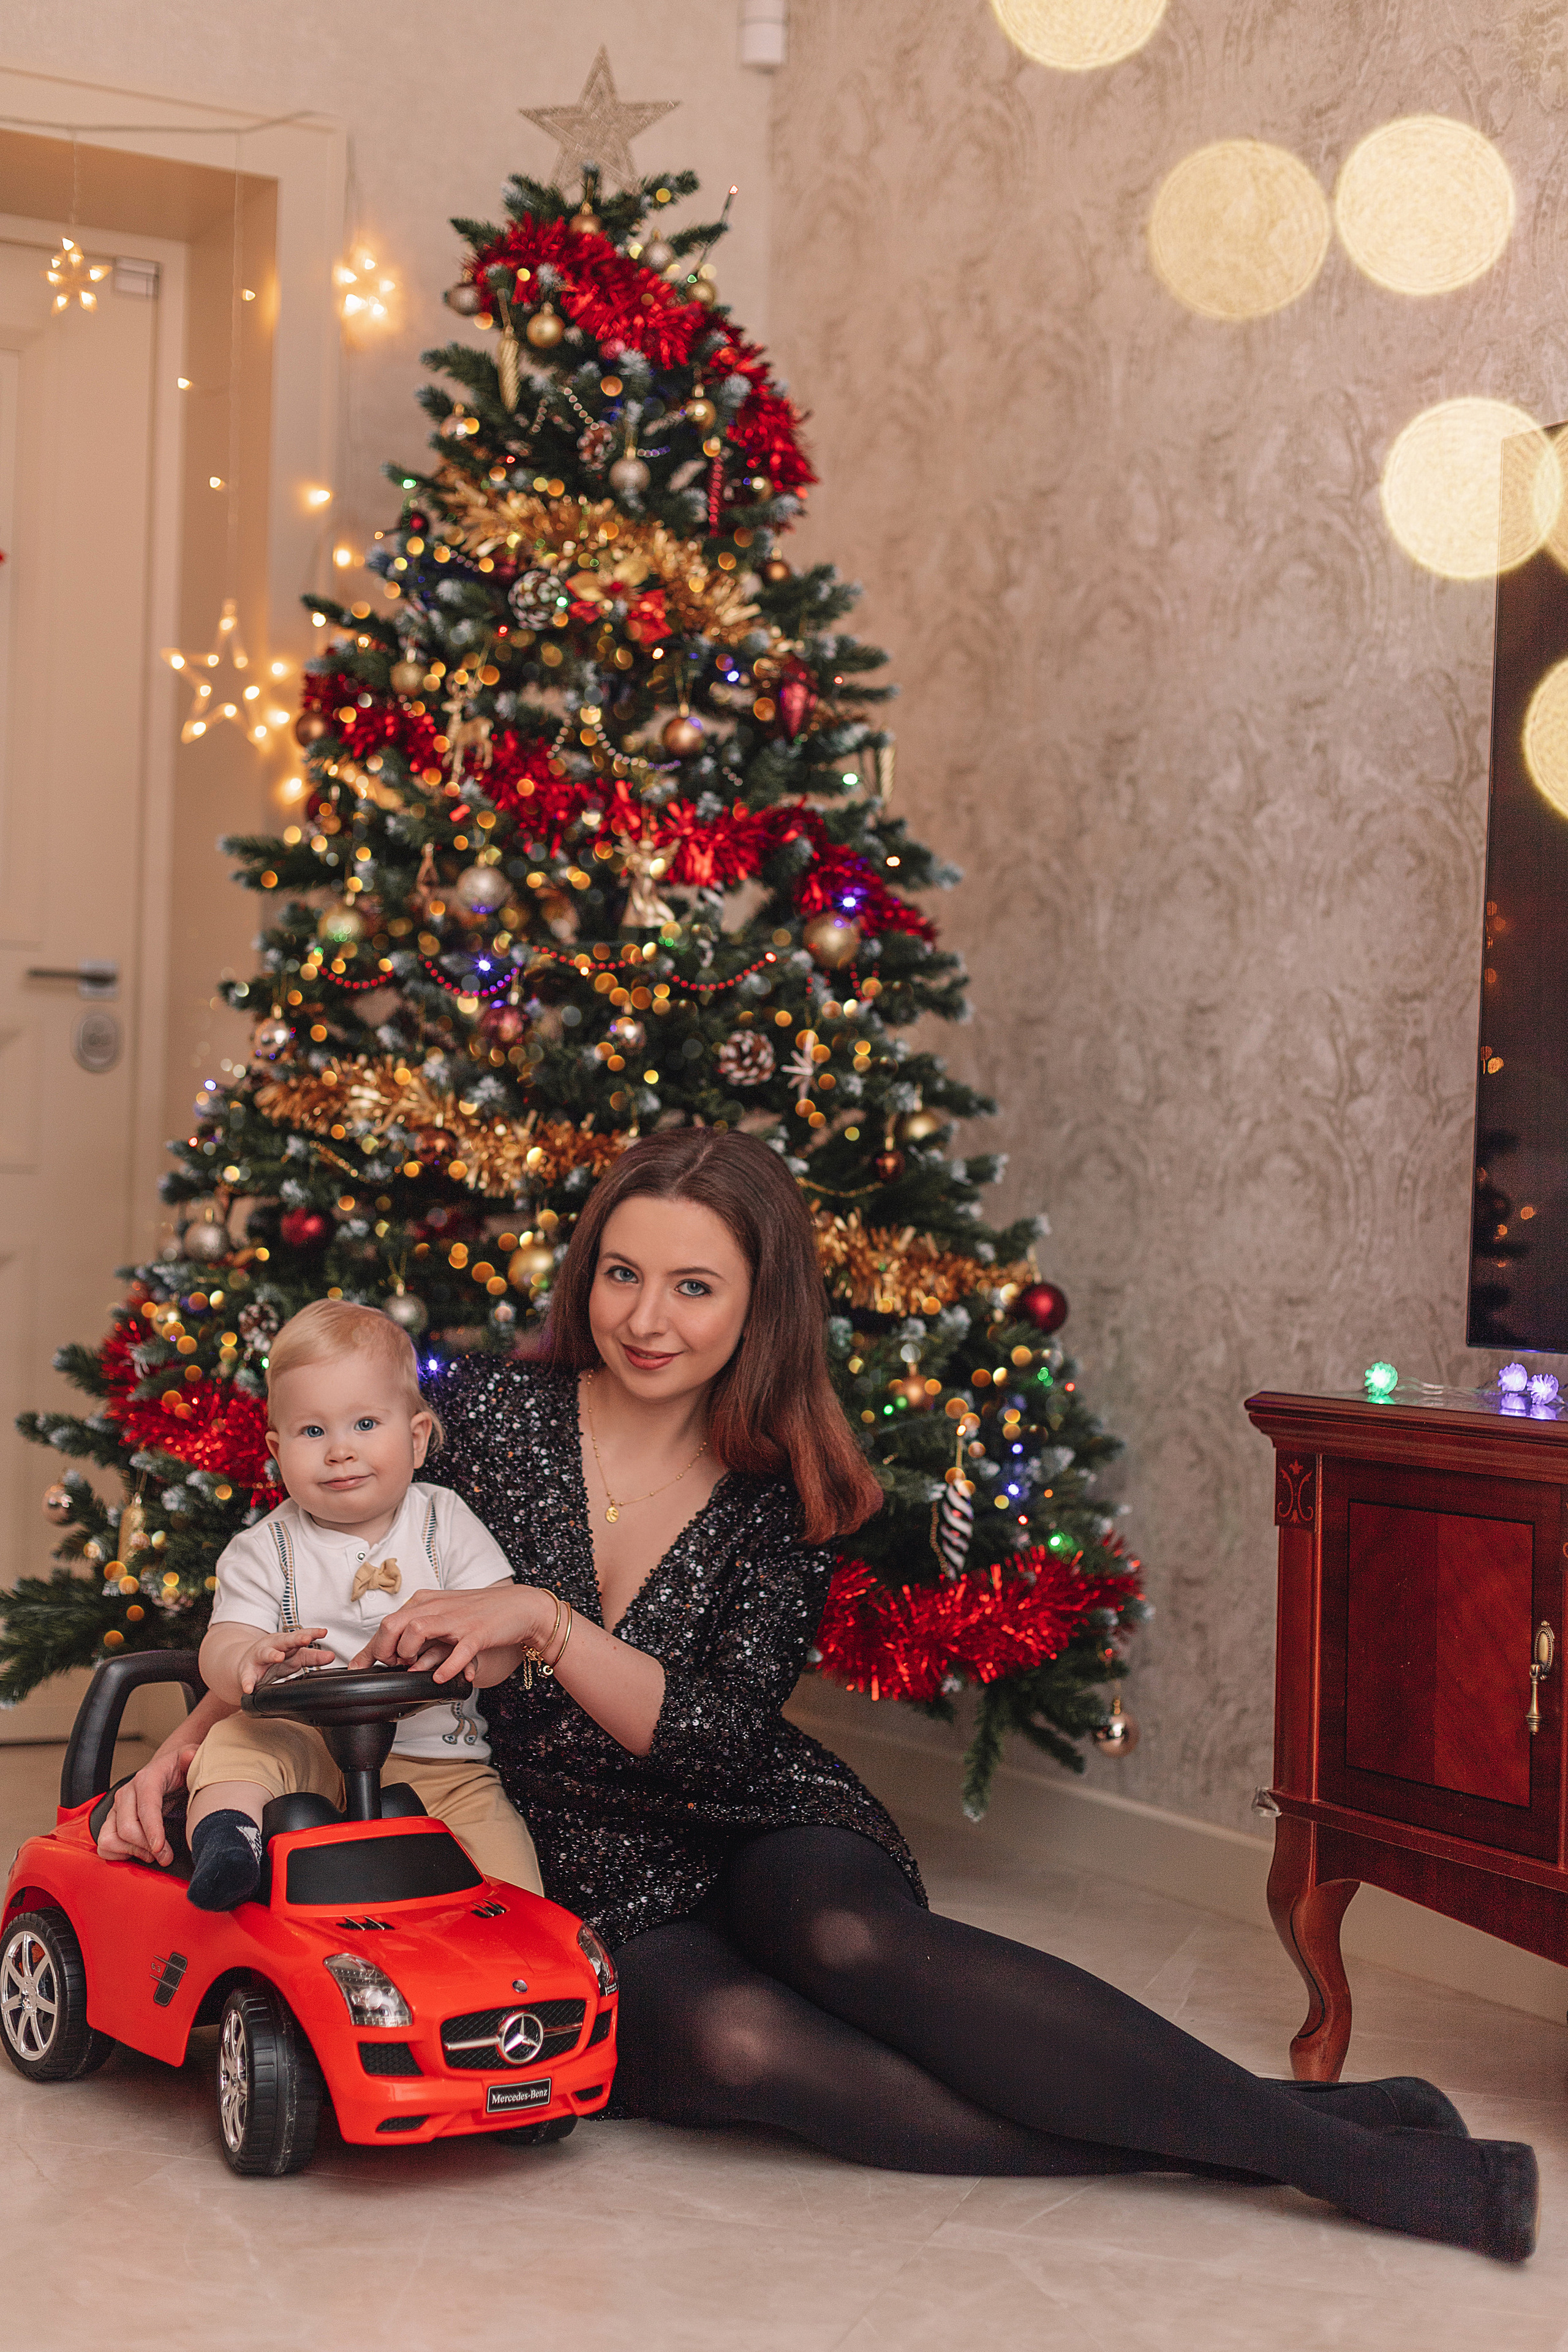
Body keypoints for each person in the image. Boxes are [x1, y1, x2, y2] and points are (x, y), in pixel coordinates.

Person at [102, 1135, 1537, 2260]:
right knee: (738, 2041)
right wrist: (202, 1731)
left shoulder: (772, 1485)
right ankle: (1316, 2130)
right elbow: (308, 1585)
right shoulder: (469, 1417)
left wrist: (541, 1618)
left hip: (751, 1809)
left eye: (692, 1285)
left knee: (850, 1931)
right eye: (620, 1272)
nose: (644, 1318)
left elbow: (719, 1740)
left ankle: (1344, 2156)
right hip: (566, 1866)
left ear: (756, 1301)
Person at [179, 1299, 543, 1909]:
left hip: (437, 1762)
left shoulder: (445, 1522)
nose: (339, 1450)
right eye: (312, 1431)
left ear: (417, 1437)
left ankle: (520, 1926)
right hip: (303, 1742)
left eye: (365, 1425)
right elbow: (222, 1645)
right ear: (277, 1451)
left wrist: (466, 1650)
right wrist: (248, 1656)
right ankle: (228, 1840)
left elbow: (501, 1636)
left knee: (498, 1843)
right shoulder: (263, 1548)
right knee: (236, 1746)